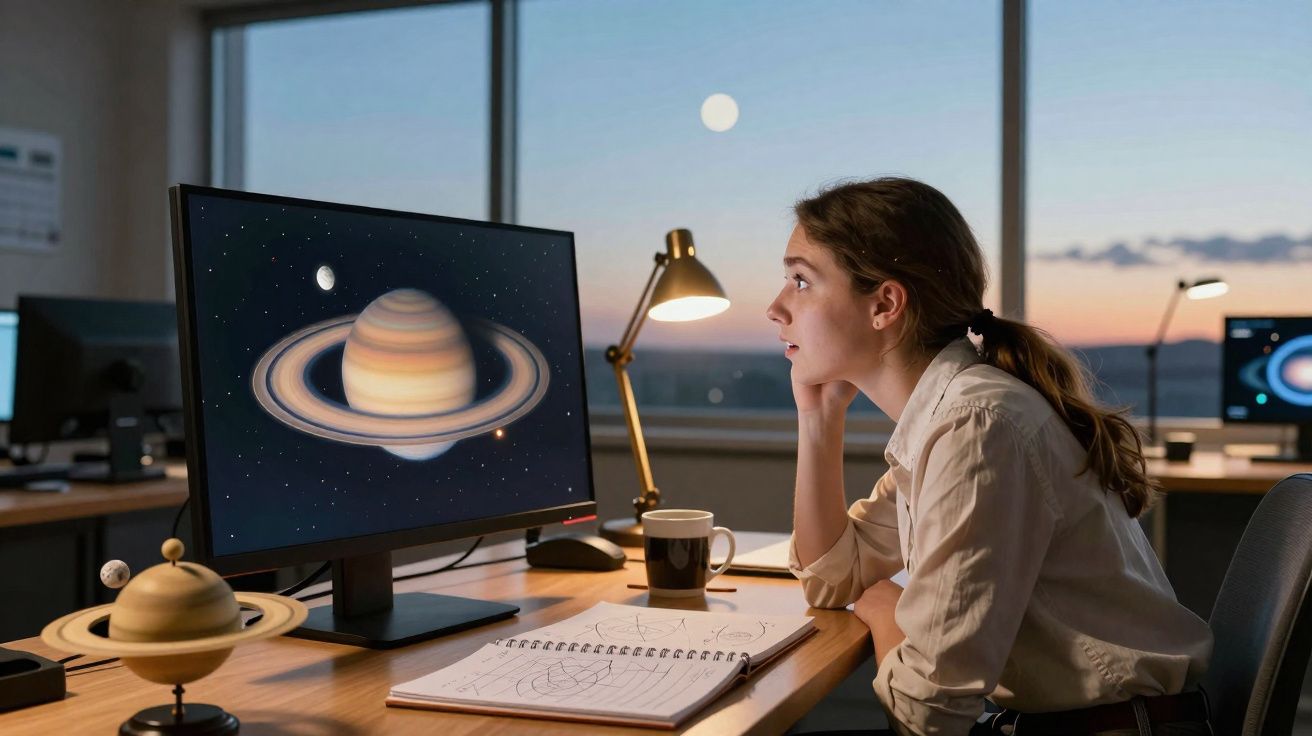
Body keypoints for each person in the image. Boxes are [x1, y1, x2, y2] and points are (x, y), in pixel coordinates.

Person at [769, 177, 1214, 736]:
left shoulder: (976, 426)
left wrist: (885, 605)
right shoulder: (948, 415)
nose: (775, 307)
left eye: (801, 280)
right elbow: (832, 578)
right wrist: (818, 419)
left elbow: (924, 714)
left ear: (885, 303)